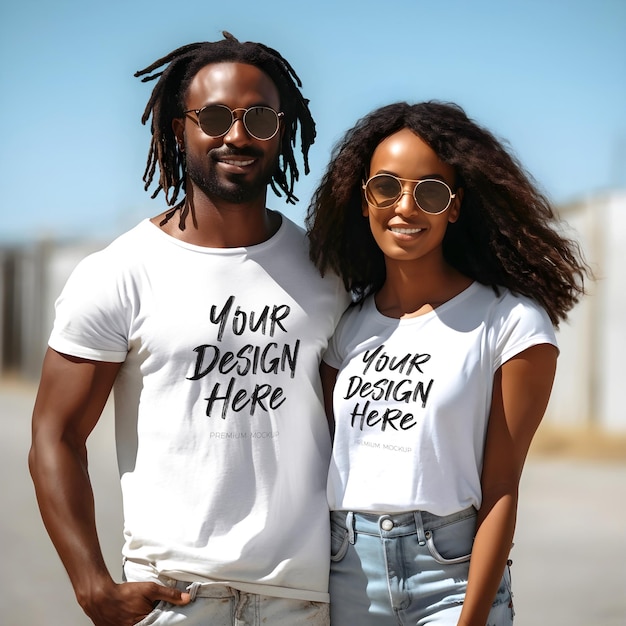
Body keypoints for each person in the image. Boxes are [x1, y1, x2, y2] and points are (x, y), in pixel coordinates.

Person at [29, 32, 349, 626]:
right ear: (180, 128)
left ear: (282, 128)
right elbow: (55, 434)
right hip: (173, 597)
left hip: (301, 599)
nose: (237, 134)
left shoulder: (327, 273)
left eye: (258, 116)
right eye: (216, 117)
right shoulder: (119, 273)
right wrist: (92, 585)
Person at [305, 101, 589, 625]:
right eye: (386, 187)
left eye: (429, 192)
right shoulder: (346, 326)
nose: (405, 207)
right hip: (345, 574)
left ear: (454, 207)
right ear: (362, 199)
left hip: (450, 578)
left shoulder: (510, 322)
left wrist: (471, 618)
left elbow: (502, 487)